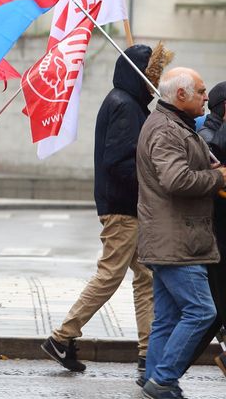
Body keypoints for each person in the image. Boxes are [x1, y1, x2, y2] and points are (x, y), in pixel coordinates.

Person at [42, 45, 155, 373]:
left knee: (145, 276)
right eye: (151, 75)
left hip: (127, 207)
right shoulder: (124, 105)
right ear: (139, 74)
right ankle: (61, 338)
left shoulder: (129, 103)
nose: (155, 82)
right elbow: (118, 161)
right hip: (123, 207)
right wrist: (150, 184)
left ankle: (148, 354)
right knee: (111, 274)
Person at [136, 68, 226, 399]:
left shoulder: (174, 125)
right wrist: (218, 179)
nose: (207, 97)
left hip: (172, 238)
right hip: (176, 239)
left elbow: (183, 169)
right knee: (202, 311)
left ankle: (155, 383)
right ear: (182, 96)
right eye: (201, 91)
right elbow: (175, 180)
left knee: (168, 317)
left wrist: (209, 168)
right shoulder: (165, 130)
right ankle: (163, 379)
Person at [188, 81, 226, 374]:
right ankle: (166, 369)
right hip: (216, 235)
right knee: (212, 310)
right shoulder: (207, 134)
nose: (201, 98)